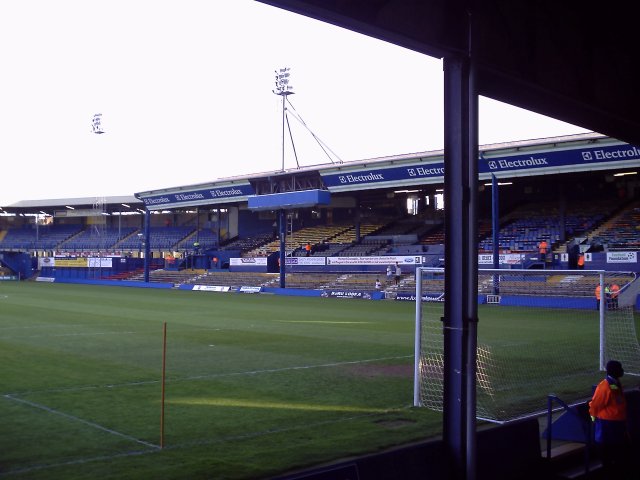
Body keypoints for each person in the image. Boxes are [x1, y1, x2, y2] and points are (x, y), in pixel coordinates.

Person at [589, 360, 630, 477]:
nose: (622, 371)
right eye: (620, 368)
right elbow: (595, 406)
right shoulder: (604, 387)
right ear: (614, 371)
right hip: (607, 428)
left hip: (618, 426)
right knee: (609, 459)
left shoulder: (615, 383)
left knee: (619, 457)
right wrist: (593, 421)